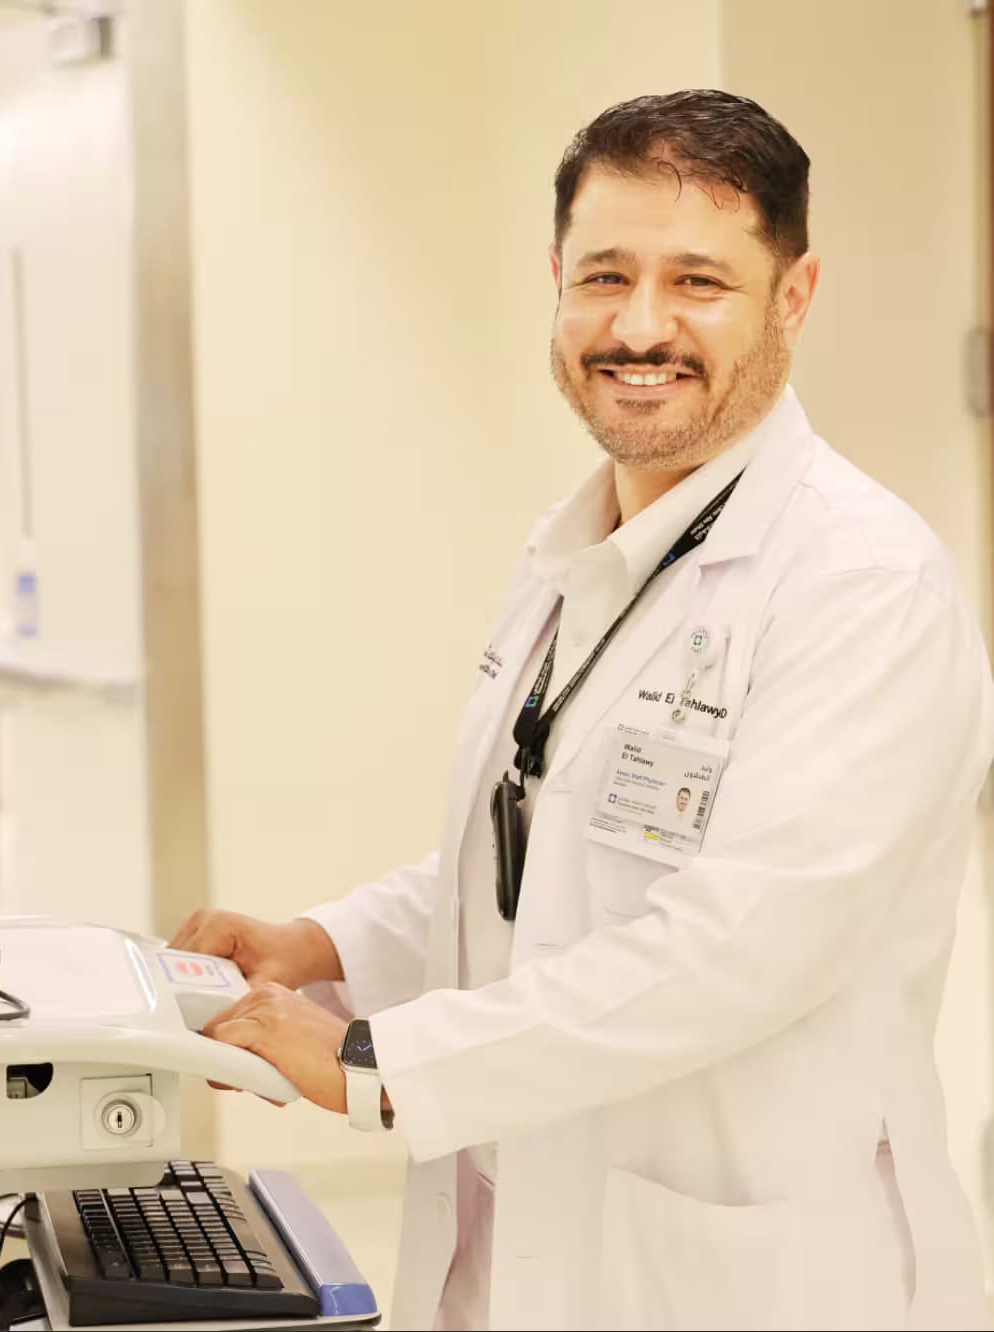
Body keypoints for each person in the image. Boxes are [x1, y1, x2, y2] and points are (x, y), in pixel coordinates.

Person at [171, 90, 994, 1329]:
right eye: (605, 275)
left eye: (699, 282)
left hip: (745, 1274)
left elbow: (736, 949)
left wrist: (371, 1063)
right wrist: (326, 949)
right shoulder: (579, 553)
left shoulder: (863, 583)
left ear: (796, 293)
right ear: (556, 281)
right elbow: (540, 854)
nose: (641, 326)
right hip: (522, 1237)